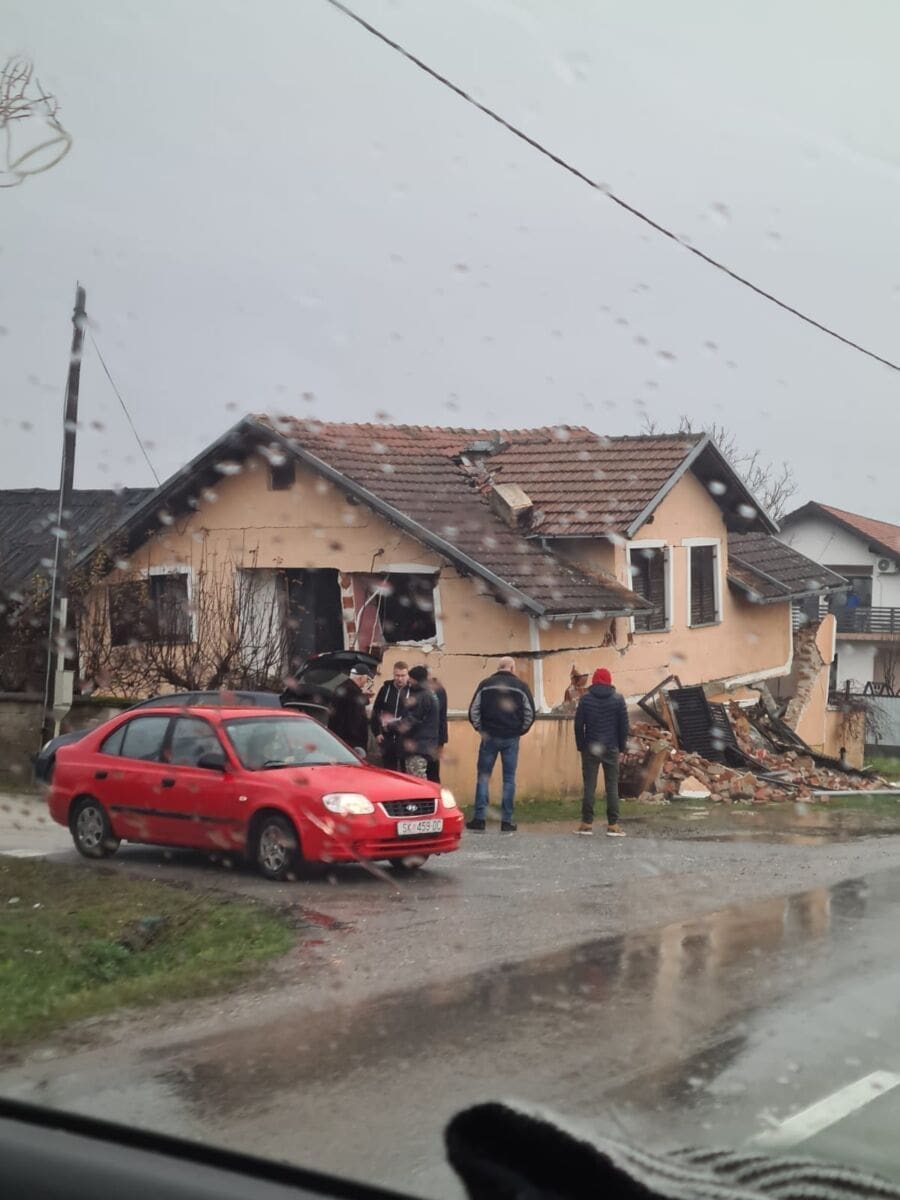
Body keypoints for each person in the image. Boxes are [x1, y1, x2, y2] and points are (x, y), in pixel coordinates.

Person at [467, 655, 535, 834]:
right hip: (510, 738)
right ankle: (506, 821)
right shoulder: (521, 686)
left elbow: (473, 711)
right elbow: (529, 714)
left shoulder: (485, 684)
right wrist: (519, 730)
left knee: (483, 777)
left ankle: (479, 819)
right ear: (512, 668)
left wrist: (481, 729)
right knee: (509, 779)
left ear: (499, 667)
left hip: (489, 737)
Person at [574, 666, 629, 837]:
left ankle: (586, 823)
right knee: (612, 785)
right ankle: (613, 825)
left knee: (589, 786)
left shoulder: (585, 699)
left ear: (594, 681)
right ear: (609, 680)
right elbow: (624, 726)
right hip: (611, 746)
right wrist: (621, 747)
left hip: (591, 746)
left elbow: (578, 725)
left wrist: (581, 745)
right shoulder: (618, 699)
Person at [398, 665, 440, 778]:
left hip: (418, 747)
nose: (408, 681)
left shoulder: (423, 696)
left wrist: (393, 725)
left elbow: (413, 719)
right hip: (424, 745)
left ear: (416, 680)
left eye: (410, 678)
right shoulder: (429, 694)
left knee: (416, 779)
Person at [370, 660, 411, 771]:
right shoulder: (385, 689)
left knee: (405, 772)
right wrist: (377, 733)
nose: (400, 679)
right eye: (397, 675)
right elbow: (376, 711)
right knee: (389, 770)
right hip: (386, 738)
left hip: (405, 739)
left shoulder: (412, 691)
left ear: (407, 675)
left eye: (403, 675)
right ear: (393, 674)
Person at [328, 665, 371, 753]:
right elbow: (355, 719)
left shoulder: (342, 687)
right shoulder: (353, 692)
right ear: (360, 678)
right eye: (366, 679)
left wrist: (363, 696)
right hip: (349, 743)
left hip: (336, 737)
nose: (366, 682)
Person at [426, 668, 448, 783]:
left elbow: (440, 716)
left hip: (434, 738)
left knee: (432, 771)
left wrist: (441, 741)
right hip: (431, 737)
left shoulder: (437, 691)